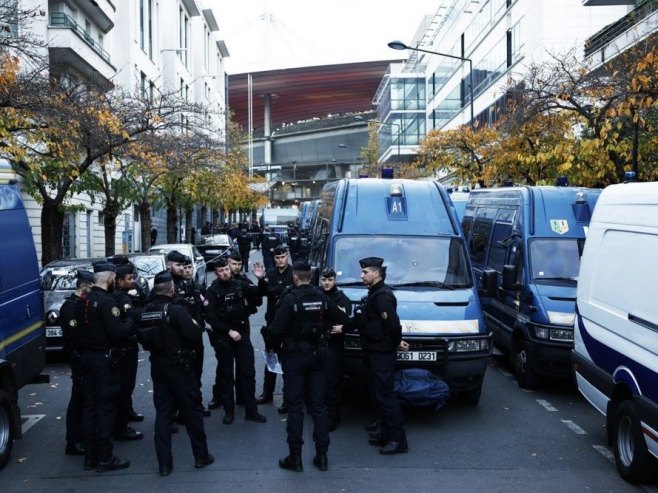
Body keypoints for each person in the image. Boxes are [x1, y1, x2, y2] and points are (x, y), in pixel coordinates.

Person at [266, 260, 350, 472]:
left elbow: (275, 331)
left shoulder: (290, 299)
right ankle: (322, 456)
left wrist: (272, 348)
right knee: (319, 406)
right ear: (311, 277)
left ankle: (295, 458)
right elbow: (342, 317)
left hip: (294, 358)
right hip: (318, 357)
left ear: (295, 277)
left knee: (295, 407)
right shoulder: (321, 298)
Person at [136, 270, 214, 476]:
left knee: (163, 415)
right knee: (192, 412)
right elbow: (194, 333)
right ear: (171, 290)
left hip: (158, 367)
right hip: (180, 367)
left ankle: (164, 464)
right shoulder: (177, 311)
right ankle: (201, 456)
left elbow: (141, 336)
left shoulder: (146, 311)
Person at [75, 262, 133, 472]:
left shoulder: (83, 300)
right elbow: (117, 333)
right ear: (110, 278)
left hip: (86, 358)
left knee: (89, 407)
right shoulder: (107, 302)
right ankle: (105, 457)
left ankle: (90, 457)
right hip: (103, 360)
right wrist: (129, 321)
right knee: (105, 408)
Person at [355, 257, 409, 455]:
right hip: (374, 351)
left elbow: (393, 325)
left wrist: (396, 342)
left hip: (382, 353)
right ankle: (386, 434)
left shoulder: (383, 297)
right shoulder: (374, 293)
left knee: (386, 396)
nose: (362, 275)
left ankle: (398, 439)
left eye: (365, 272)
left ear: (376, 274)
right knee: (379, 395)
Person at [205, 257, 267, 424]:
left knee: (248, 372)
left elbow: (258, 295)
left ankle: (251, 411)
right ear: (216, 273)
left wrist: (261, 280)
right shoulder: (212, 290)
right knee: (226, 375)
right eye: (221, 271)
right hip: (224, 336)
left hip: (242, 333)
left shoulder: (240, 285)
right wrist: (228, 331)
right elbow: (210, 317)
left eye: (227, 269)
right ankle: (229, 411)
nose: (225, 272)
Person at [59, 270, 94, 456]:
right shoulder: (71, 307)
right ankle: (73, 441)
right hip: (77, 356)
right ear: (83, 287)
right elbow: (76, 334)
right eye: (91, 287)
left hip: (83, 356)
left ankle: (81, 437)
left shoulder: (81, 304)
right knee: (78, 400)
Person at [256, 245, 293, 413]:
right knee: (271, 357)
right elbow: (263, 293)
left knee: (288, 360)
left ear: (287, 257)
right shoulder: (270, 274)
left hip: (289, 323)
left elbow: (290, 291)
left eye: (282, 257)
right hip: (272, 321)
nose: (280, 260)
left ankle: (287, 397)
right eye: (277, 258)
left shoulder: (294, 273)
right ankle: (267, 392)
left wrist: (274, 290)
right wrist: (262, 280)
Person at [111, 264, 145, 442]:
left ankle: (128, 412)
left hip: (129, 345)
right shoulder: (120, 297)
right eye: (129, 279)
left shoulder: (129, 292)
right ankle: (121, 427)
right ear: (118, 281)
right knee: (125, 385)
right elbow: (133, 316)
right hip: (125, 346)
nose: (133, 282)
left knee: (128, 385)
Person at [318, 267, 352, 431]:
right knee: (319, 381)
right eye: (324, 280)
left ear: (334, 281)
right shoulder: (316, 294)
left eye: (329, 280)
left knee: (332, 382)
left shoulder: (341, 299)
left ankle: (333, 417)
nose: (326, 283)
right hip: (318, 343)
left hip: (333, 344)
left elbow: (343, 321)